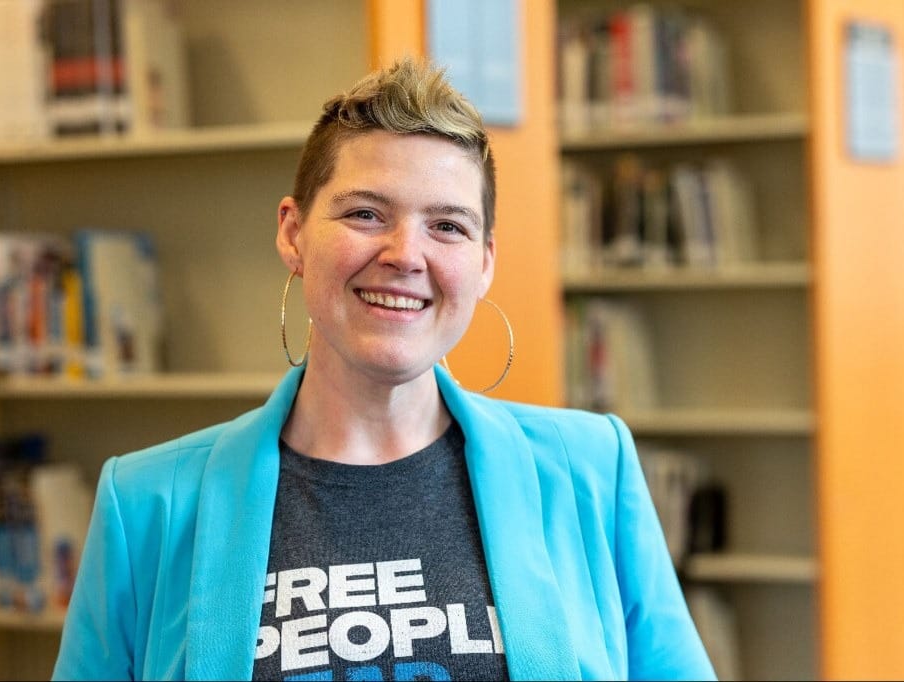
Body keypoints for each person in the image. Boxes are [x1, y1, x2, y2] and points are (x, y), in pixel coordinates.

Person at [52, 57, 715, 682]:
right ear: (293, 234)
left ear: (484, 262)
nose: (406, 254)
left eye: (448, 227)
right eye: (366, 214)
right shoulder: (146, 504)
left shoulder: (592, 470)